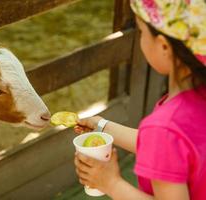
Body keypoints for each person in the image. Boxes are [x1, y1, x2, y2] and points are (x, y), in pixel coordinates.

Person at [74, 0, 206, 199]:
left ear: (163, 46)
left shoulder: (165, 126)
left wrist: (111, 183)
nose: (141, 38)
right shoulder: (191, 103)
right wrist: (101, 126)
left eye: (142, 32)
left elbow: (164, 140)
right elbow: (167, 149)